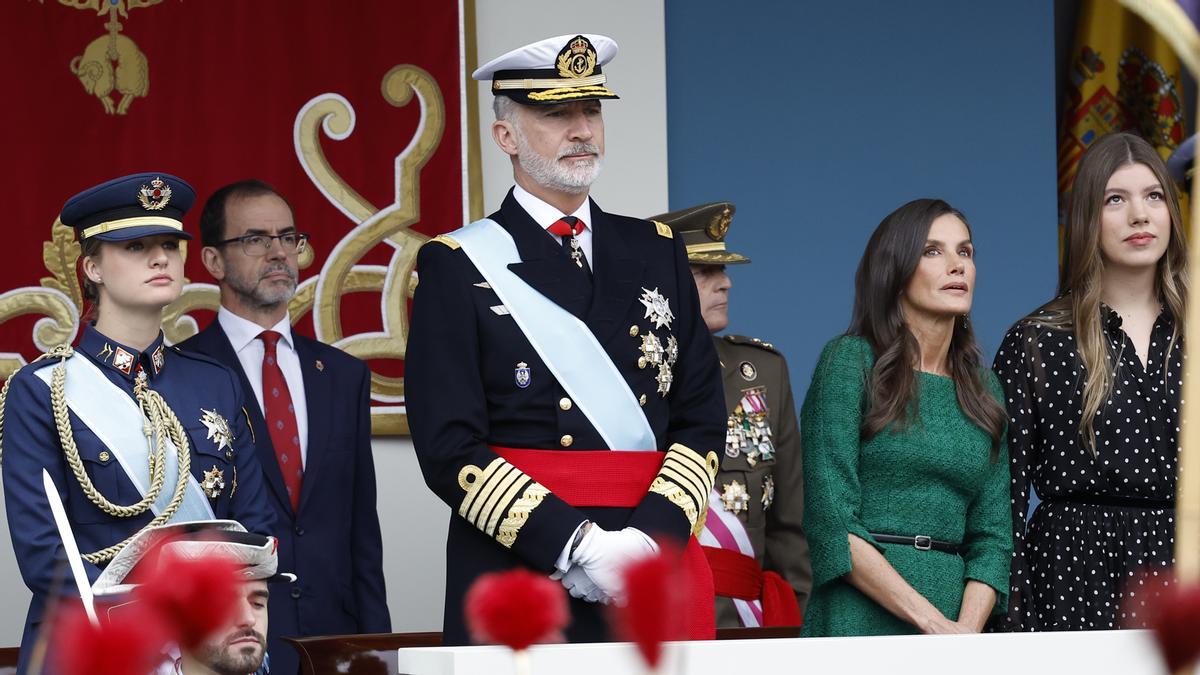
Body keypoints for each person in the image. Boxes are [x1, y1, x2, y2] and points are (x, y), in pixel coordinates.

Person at [406, 33, 726, 643]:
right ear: (507, 138)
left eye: (592, 110)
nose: (582, 129)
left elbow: (701, 417)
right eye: (557, 113)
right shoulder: (456, 263)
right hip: (521, 572)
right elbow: (449, 444)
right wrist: (573, 546)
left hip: (650, 561)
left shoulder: (656, 251)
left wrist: (645, 541)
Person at [0, 173, 274, 669]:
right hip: (96, 647)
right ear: (93, 268)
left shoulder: (217, 383)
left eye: (170, 244)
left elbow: (255, 525)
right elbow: (47, 558)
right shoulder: (40, 390)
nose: (159, 258)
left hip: (206, 652)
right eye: (134, 246)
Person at [178, 179, 389, 674]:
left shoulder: (343, 375)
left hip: (335, 642)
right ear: (212, 261)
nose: (278, 252)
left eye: (287, 238)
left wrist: (378, 647)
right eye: (255, 239)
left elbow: (362, 531)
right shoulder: (178, 374)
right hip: (227, 642)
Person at [994, 132, 1187, 631]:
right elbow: (1003, 503)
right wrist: (1008, 625)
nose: (1139, 215)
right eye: (1115, 200)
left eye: (1154, 196)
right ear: (1086, 218)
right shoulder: (1036, 341)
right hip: (1075, 575)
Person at [800, 198, 1012, 636]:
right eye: (932, 251)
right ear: (894, 272)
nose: (957, 265)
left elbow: (992, 539)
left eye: (965, 251)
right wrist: (930, 622)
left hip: (958, 623)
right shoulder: (849, 362)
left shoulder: (984, 388)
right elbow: (833, 521)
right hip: (857, 617)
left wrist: (963, 635)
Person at [649, 201, 811, 628]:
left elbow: (790, 526)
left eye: (722, 270)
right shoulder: (622, 377)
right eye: (705, 273)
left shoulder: (762, 372)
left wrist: (795, 625)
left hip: (742, 625)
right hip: (653, 621)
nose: (726, 283)